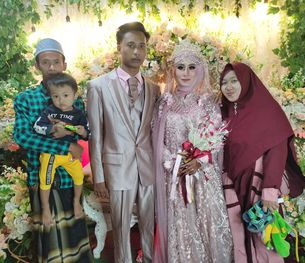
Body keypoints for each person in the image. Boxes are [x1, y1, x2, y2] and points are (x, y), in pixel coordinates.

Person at [152, 40, 233, 263]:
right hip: (175, 175)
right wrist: (172, 162)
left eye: (191, 67)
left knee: (206, 224)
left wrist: (200, 161)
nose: (186, 73)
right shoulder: (164, 103)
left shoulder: (207, 102)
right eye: (180, 67)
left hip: (203, 177)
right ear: (173, 70)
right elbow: (158, 140)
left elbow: (216, 138)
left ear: (200, 70)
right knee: (181, 224)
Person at [13, 38, 94, 262]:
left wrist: (81, 134)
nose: (51, 67)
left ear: (64, 64)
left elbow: (84, 131)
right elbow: (22, 136)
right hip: (42, 177)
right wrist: (65, 144)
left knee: (75, 238)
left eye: (56, 62)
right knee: (49, 241)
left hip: (69, 175)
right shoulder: (25, 99)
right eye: (45, 62)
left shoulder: (73, 97)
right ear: (37, 66)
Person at [87, 22, 160, 263]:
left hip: (148, 168)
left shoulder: (153, 88)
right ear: (119, 47)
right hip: (117, 169)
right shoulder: (98, 87)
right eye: (131, 45)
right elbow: (96, 135)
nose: (137, 51)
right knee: (120, 229)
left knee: (149, 225)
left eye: (142, 46)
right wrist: (98, 177)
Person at [219, 62, 305, 263]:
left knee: (264, 236)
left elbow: (277, 150)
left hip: (259, 184)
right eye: (224, 83)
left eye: (234, 81)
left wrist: (269, 191)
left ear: (247, 81)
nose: (229, 87)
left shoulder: (267, 109)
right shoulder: (226, 112)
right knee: (239, 237)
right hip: (233, 185)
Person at [33, 73, 89, 225]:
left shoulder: (78, 113)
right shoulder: (49, 111)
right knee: (45, 181)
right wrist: (52, 128)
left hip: (70, 155)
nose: (61, 100)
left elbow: (88, 133)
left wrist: (81, 131)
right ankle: (45, 209)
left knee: (78, 177)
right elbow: (37, 126)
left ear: (75, 95)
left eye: (65, 95)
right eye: (55, 96)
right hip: (51, 153)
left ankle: (76, 202)